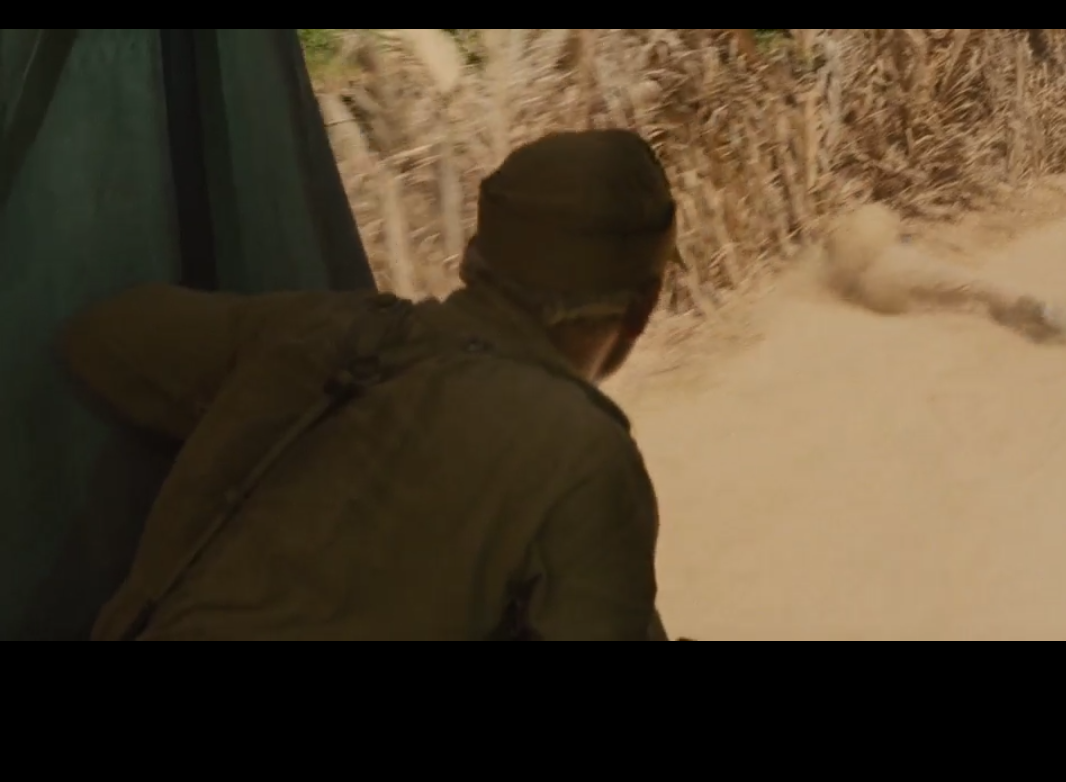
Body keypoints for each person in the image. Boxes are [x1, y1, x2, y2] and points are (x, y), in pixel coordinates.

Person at [61, 129, 680, 641]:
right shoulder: (584, 457)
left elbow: (102, 336)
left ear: (475, 256)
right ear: (643, 306)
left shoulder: (329, 332)